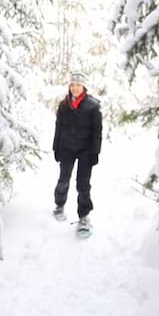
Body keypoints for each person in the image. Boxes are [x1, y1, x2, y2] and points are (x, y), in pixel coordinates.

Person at [52, 71, 102, 234]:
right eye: (72, 85)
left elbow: (97, 132)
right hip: (66, 147)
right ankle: (59, 205)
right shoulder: (63, 105)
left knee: (83, 184)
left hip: (85, 151)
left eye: (78, 85)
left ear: (83, 87)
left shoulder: (93, 106)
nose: (75, 88)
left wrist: (95, 152)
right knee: (63, 179)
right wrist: (56, 147)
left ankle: (84, 217)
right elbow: (58, 127)